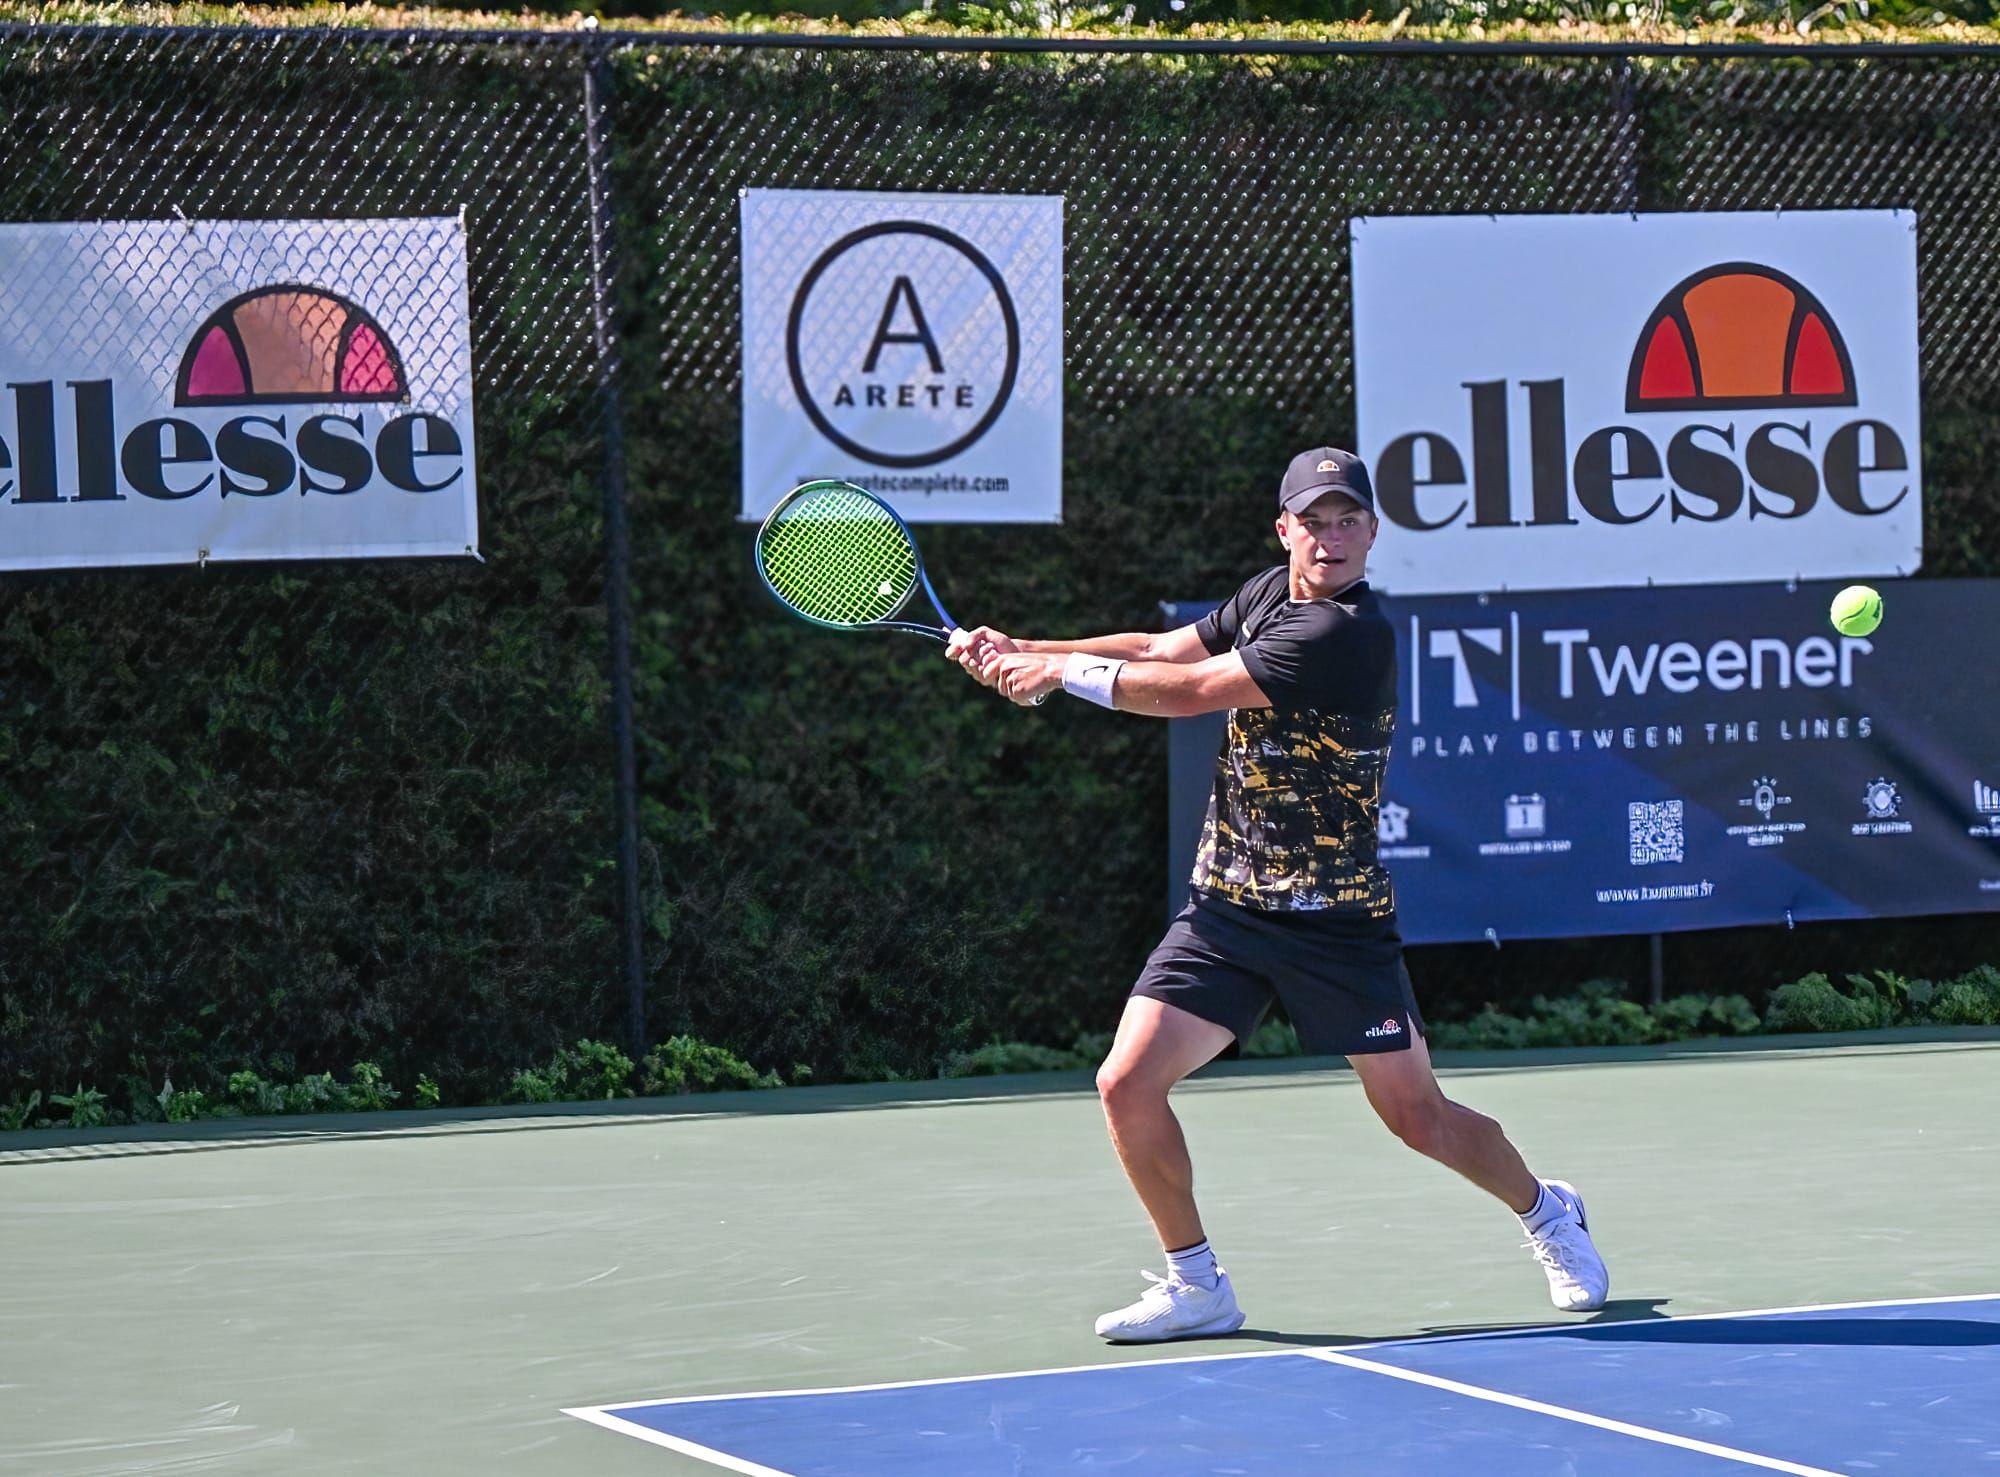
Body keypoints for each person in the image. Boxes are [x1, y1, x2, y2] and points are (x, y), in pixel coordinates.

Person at [945, 447, 1610, 1343]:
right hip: (1227, 910)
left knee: (1418, 1117)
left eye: (1348, 520)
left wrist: (1056, 675)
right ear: (1285, 529)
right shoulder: (1269, 594)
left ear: (1372, 531)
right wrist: (1029, 648)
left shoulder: (1346, 635)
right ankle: (1196, 1284)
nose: (1331, 537)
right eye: (1315, 520)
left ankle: (1547, 1212)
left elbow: (1184, 691)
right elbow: (1153, 649)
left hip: (1337, 925)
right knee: (1126, 1083)